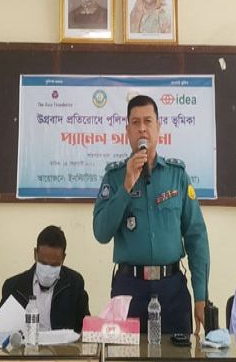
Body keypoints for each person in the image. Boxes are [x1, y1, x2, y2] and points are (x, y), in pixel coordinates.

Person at [93, 94, 210, 335]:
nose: (142, 129)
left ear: (159, 127)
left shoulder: (177, 176)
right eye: (135, 123)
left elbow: (196, 236)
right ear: (127, 131)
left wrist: (201, 296)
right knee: (125, 354)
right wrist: (126, 187)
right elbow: (101, 233)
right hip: (129, 290)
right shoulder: (114, 178)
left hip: (172, 290)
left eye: (148, 121)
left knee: (178, 352)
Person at [0, 225, 90, 333]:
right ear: (35, 254)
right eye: (43, 263)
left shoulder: (74, 284)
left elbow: (86, 329)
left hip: (62, 344)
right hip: (26, 343)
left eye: (54, 265)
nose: (48, 269)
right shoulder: (14, 286)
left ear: (63, 258)